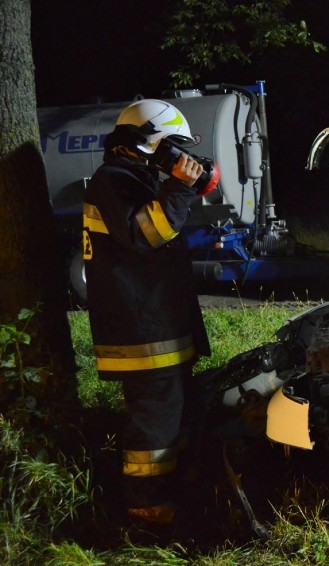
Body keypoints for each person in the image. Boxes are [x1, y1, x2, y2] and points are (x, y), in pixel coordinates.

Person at [82, 99, 211, 527]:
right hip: (140, 330)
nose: (183, 158)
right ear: (153, 141)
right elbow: (145, 234)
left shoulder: (133, 177)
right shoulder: (113, 180)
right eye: (176, 148)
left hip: (157, 324)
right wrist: (178, 187)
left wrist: (184, 186)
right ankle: (144, 502)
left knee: (173, 411)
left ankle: (177, 486)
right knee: (154, 420)